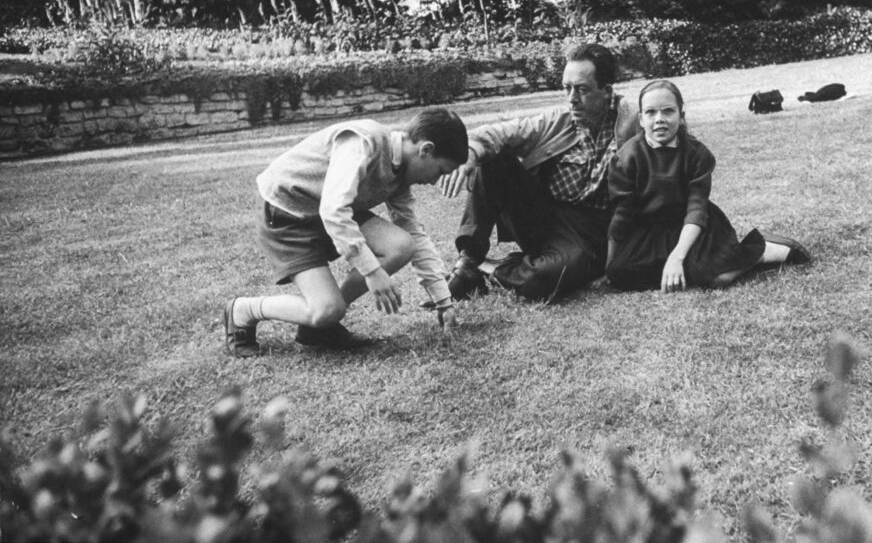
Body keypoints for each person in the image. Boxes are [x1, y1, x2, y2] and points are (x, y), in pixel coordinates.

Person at [223, 108, 468, 358]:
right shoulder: (364, 142)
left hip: (329, 211)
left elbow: (412, 230)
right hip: (287, 213)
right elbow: (333, 211)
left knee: (402, 245)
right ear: (425, 150)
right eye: (440, 171)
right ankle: (244, 310)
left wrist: (443, 300)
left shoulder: (401, 175)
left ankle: (319, 327)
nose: (435, 181)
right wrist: (372, 271)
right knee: (327, 309)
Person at [439, 43, 640, 302]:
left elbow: (674, 146)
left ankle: (494, 269)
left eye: (582, 90)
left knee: (546, 279)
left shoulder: (633, 122)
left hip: (591, 235)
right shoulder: (559, 119)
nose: (571, 99)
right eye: (567, 88)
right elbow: (503, 132)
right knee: (494, 157)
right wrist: (471, 152)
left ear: (607, 91)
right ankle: (468, 261)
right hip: (544, 217)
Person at [605, 79, 810, 292]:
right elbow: (622, 214)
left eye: (668, 111)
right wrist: (610, 265)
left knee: (715, 278)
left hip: (694, 226)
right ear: (640, 119)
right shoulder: (627, 157)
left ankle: (763, 250)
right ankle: (685, 266)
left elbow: (696, 210)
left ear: (681, 115)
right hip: (651, 231)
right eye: (651, 112)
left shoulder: (696, 154)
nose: (659, 119)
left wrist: (677, 257)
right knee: (619, 274)